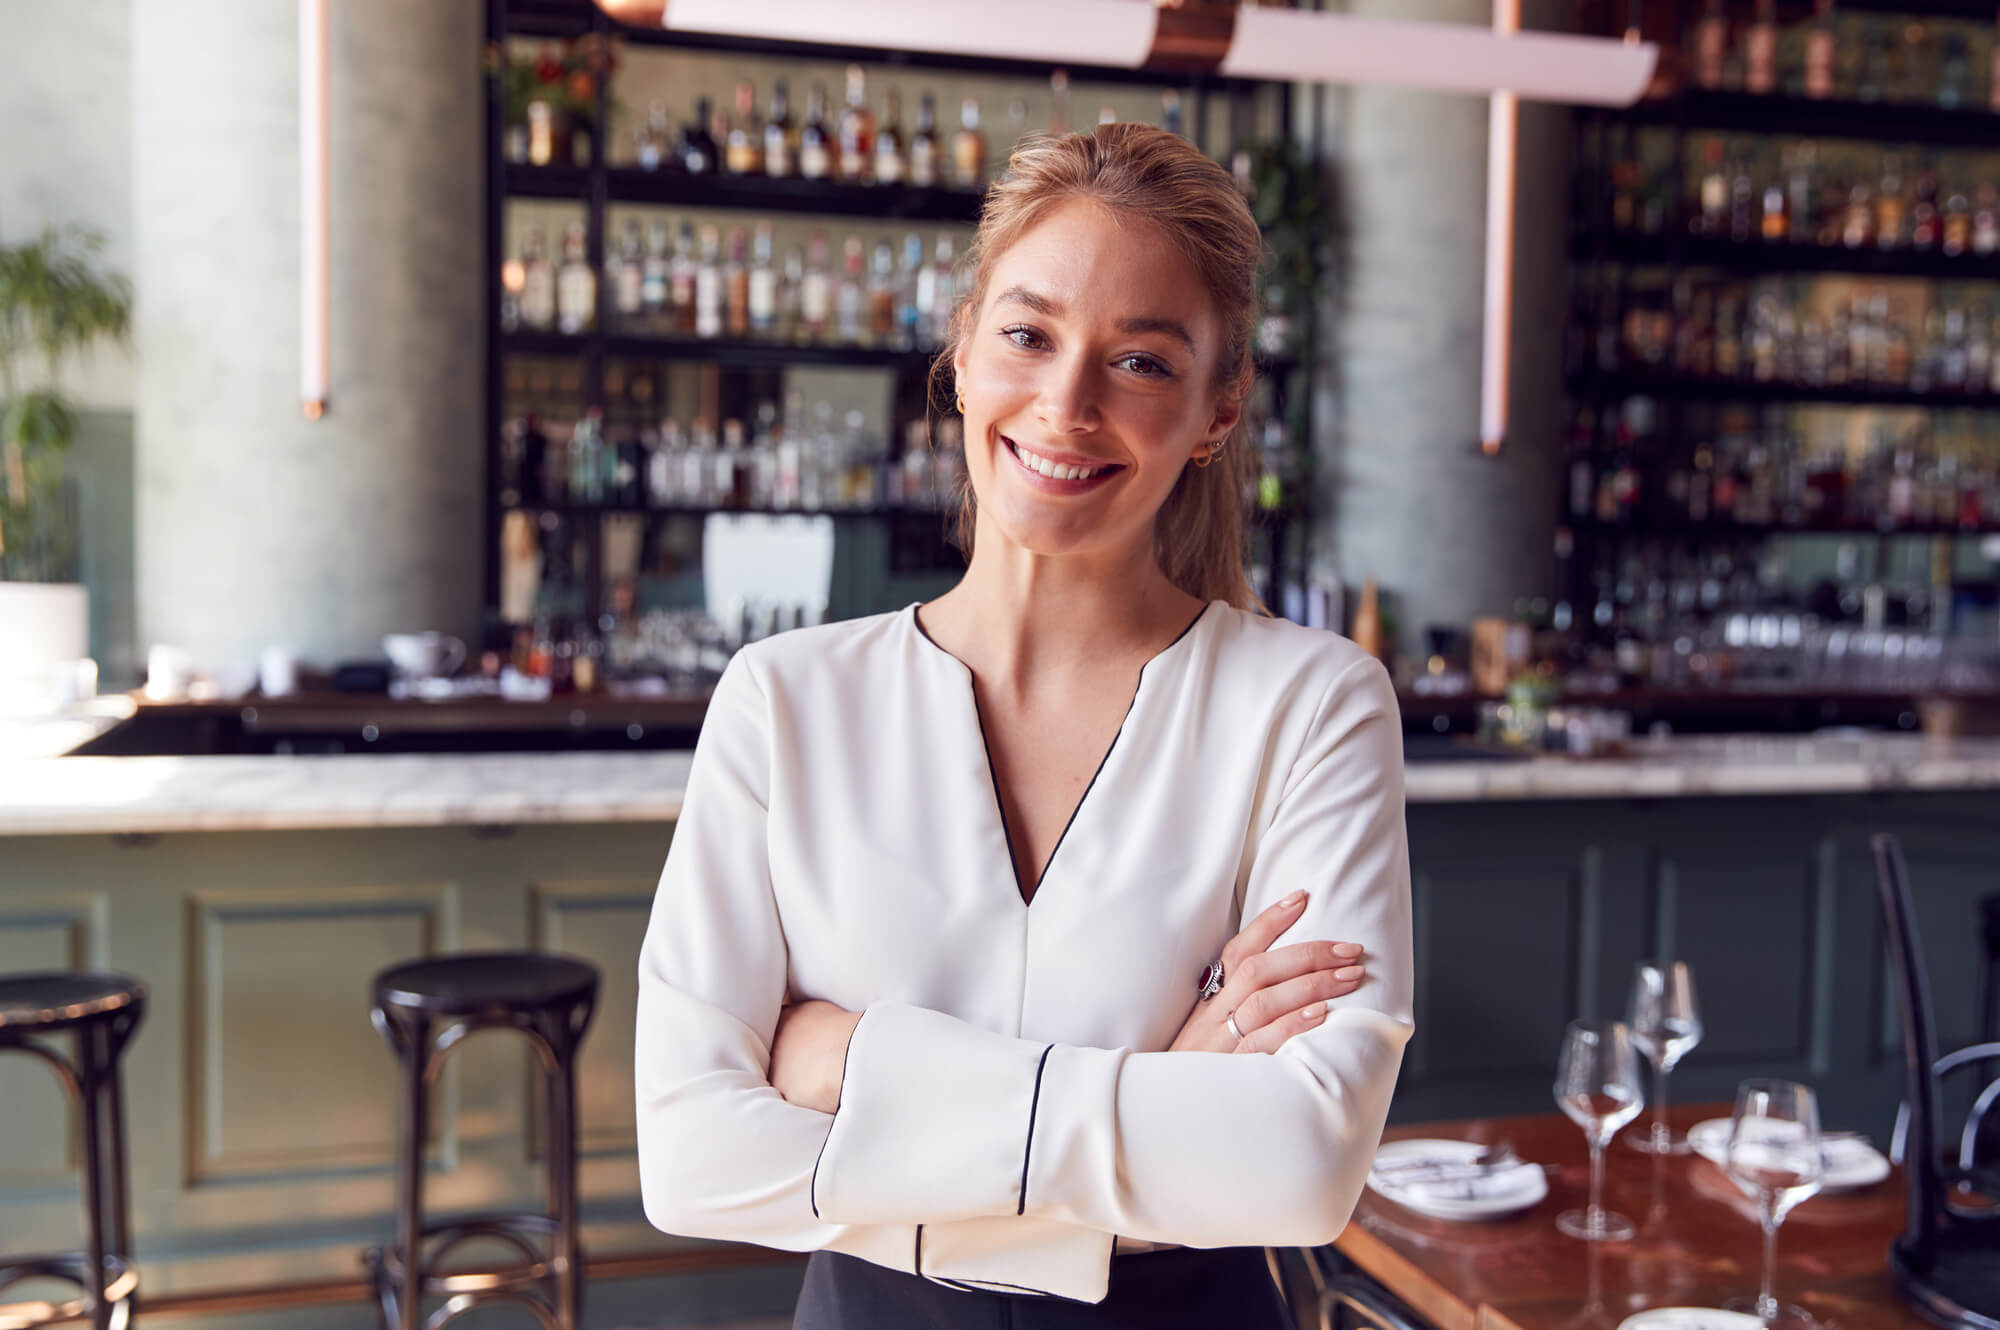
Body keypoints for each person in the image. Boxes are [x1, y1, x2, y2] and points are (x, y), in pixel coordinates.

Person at [635, 122, 1413, 1329]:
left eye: (1140, 362)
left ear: (1217, 410)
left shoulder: (1311, 703)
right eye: (1027, 335)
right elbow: (693, 1156)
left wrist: (851, 1064)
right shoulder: (782, 699)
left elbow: (1302, 1168)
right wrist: (1162, 1097)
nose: (1065, 402)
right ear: (962, 350)